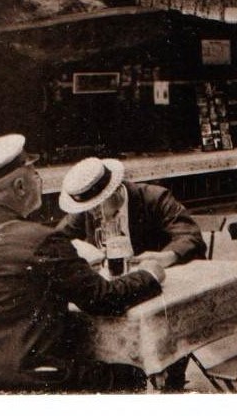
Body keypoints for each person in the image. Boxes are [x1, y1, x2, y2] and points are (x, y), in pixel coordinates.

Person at [0, 135, 164, 393]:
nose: (38, 181)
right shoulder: (41, 239)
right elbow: (103, 298)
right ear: (20, 186)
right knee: (132, 375)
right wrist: (150, 274)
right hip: (19, 378)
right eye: (35, 173)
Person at [56, 156, 206, 391]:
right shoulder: (87, 209)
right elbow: (56, 241)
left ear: (116, 189)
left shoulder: (153, 198)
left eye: (98, 205)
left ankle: (171, 385)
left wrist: (167, 256)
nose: (94, 213)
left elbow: (190, 237)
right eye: (89, 208)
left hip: (159, 291)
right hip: (118, 293)